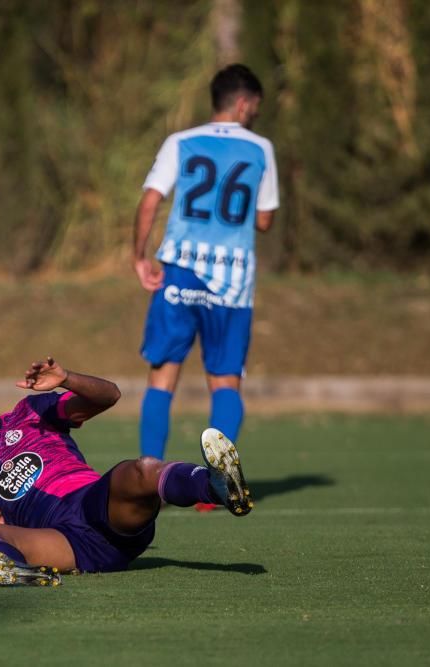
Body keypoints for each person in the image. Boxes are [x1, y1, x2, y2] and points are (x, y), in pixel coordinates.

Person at [0, 355, 253, 586]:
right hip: (62, 544)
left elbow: (109, 395)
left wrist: (67, 378)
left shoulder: (31, 413)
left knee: (142, 469)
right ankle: (19, 572)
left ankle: (216, 488)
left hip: (97, 508)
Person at [132, 63, 279, 476]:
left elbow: (149, 201)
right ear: (244, 103)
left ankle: (148, 475)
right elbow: (265, 220)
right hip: (232, 282)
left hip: (179, 274)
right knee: (226, 382)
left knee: (162, 377)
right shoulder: (259, 148)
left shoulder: (180, 141)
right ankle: (215, 483)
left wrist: (139, 257)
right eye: (255, 108)